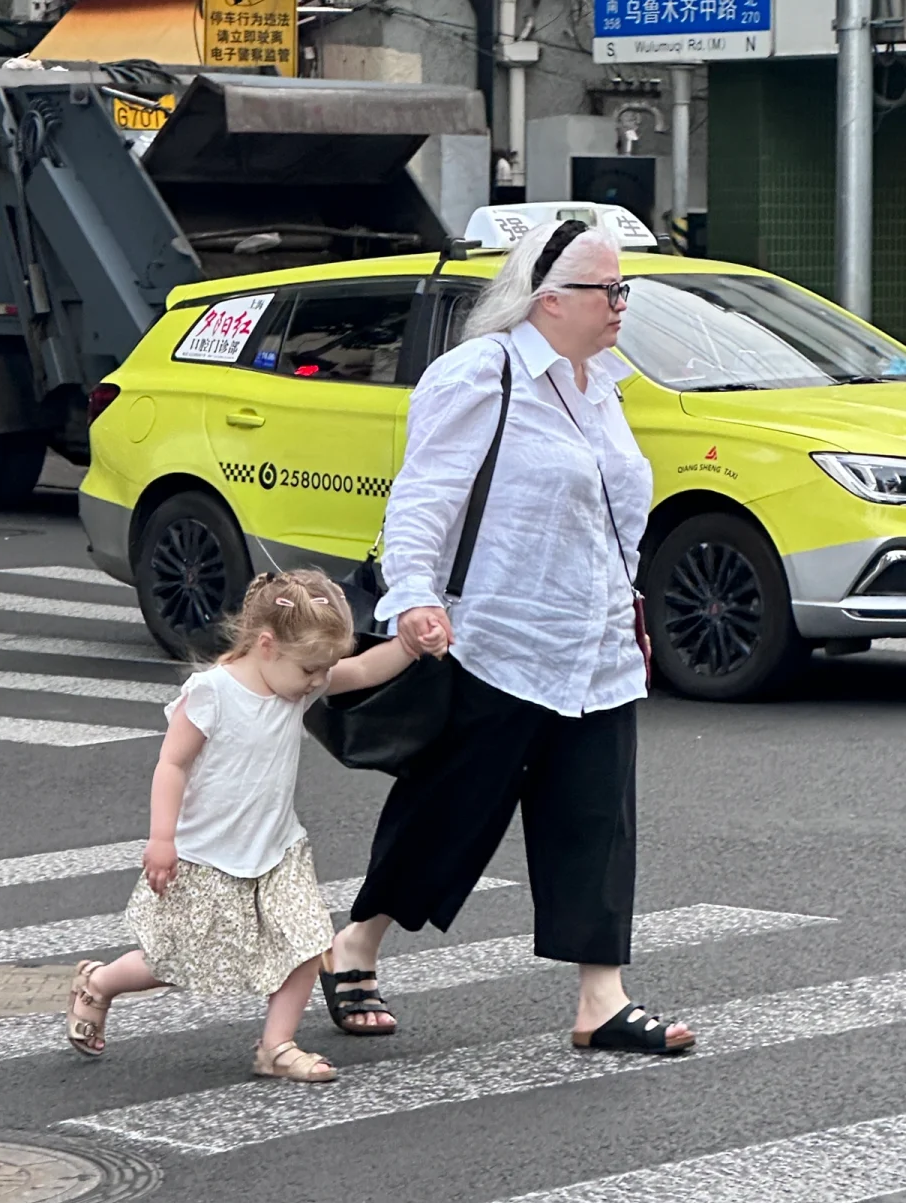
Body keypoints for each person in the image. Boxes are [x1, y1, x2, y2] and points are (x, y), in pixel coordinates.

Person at [320, 219, 695, 1056]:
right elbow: (423, 498)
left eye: (625, 289)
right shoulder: (480, 375)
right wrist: (414, 598)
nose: (622, 304)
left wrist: (623, 606)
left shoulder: (604, 386)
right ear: (549, 299)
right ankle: (357, 943)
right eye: (609, 290)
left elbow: (613, 514)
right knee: (450, 812)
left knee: (596, 820)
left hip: (595, 647)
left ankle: (600, 1000)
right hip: (495, 637)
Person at [65, 568, 429, 1082]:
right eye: (310, 669)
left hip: (278, 849)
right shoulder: (212, 693)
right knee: (179, 960)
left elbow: (367, 668)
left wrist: (409, 645)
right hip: (208, 855)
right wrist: (162, 838)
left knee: (307, 944)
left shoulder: (296, 685)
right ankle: (100, 983)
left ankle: (276, 1046)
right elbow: (172, 765)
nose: (318, 681)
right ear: (266, 645)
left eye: (324, 669)